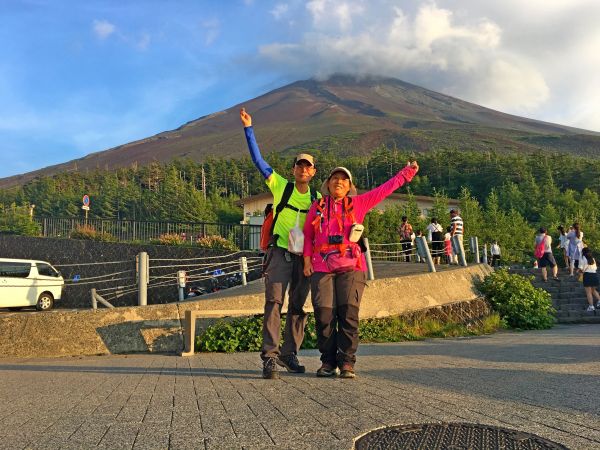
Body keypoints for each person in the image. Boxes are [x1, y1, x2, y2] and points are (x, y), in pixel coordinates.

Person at [303, 162, 419, 378]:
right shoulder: (316, 206)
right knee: (323, 314)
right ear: (327, 184)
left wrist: (407, 173)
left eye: (344, 179)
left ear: (349, 187)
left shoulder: (359, 204)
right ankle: (328, 361)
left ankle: (347, 361)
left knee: (348, 313)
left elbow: (385, 189)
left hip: (351, 266)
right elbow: (308, 236)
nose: (339, 182)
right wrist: (307, 261)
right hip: (321, 266)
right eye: (334, 178)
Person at [240, 108, 321, 379]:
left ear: (313, 172)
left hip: (304, 256)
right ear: (294, 169)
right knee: (274, 302)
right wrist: (249, 129)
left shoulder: (318, 198)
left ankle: (289, 353)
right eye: (299, 164)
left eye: (307, 166)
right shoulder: (281, 186)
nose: (302, 169)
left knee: (298, 306)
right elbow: (258, 160)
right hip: (280, 253)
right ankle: (270, 357)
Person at [578, 247, 600, 312]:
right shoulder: (593, 258)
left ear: (583, 252)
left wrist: (578, 271)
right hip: (594, 275)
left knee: (588, 292)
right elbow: (595, 268)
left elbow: (581, 269)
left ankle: (591, 306)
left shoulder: (582, 258)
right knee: (593, 290)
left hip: (587, 275)